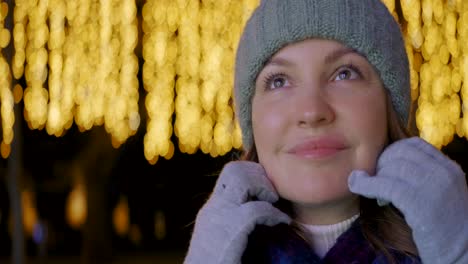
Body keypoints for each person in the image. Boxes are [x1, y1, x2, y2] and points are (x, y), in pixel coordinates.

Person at [184, 0, 468, 263]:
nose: (311, 111)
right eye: (279, 80)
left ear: (388, 104)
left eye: (345, 73)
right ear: (252, 118)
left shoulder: (453, 241)